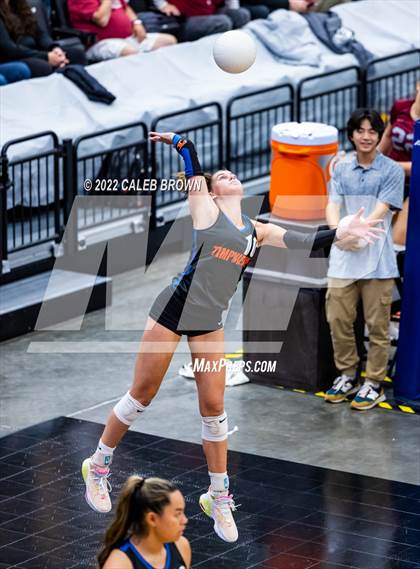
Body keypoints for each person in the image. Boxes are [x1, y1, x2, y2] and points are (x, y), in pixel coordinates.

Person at [82, 131, 383, 543]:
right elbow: (193, 168)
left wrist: (342, 232)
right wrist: (182, 142)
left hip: (210, 320)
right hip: (174, 309)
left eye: (232, 173)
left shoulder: (255, 230)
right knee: (142, 394)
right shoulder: (204, 208)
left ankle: (218, 496)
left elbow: (303, 242)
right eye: (221, 174)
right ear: (213, 188)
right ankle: (97, 465)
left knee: (215, 408)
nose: (229, 175)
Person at [324, 108, 405, 410]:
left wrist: (359, 230)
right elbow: (333, 204)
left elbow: (383, 208)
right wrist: (339, 232)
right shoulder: (341, 168)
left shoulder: (392, 170)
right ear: (352, 134)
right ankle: (347, 375)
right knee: (338, 319)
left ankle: (373, 383)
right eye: (361, 130)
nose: (367, 136)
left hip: (377, 262)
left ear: (380, 135)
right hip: (343, 258)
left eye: (373, 131)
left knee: (377, 326)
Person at [97, 476, 191, 569]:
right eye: (177, 514)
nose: (185, 520)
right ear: (152, 519)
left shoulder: (181, 546)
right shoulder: (119, 564)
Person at [378, 82, 419, 246]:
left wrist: (390, 166)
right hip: (389, 180)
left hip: (414, 185)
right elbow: (388, 136)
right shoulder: (400, 107)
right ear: (418, 85)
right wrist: (372, 158)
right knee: (371, 227)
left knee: (399, 238)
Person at [68, 0, 176, 62]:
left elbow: (126, 7)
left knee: (169, 41)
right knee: (130, 52)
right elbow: (102, 20)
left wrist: (136, 22)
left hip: (127, 39)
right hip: (100, 43)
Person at [0, 0, 68, 77]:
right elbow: (8, 48)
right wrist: (46, 57)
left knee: (75, 54)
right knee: (42, 66)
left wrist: (54, 48)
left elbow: (40, 34)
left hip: (34, 53)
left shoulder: (20, 4)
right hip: (15, 57)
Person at [153, 0, 250, 42]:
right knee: (222, 22)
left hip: (210, 13)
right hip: (185, 20)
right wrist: (162, 5)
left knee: (241, 15)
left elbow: (232, 6)